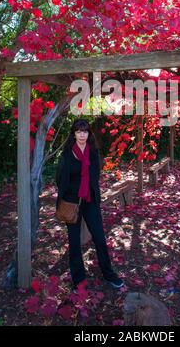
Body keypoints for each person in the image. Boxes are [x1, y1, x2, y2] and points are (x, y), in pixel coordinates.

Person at [56, 118, 124, 291]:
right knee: (74, 243)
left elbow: (95, 176)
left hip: (90, 201)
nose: (82, 134)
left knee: (100, 238)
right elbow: (60, 179)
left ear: (88, 134)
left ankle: (109, 274)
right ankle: (79, 280)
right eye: (78, 131)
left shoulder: (93, 153)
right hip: (72, 203)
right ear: (73, 133)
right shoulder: (66, 154)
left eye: (85, 131)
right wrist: (69, 194)